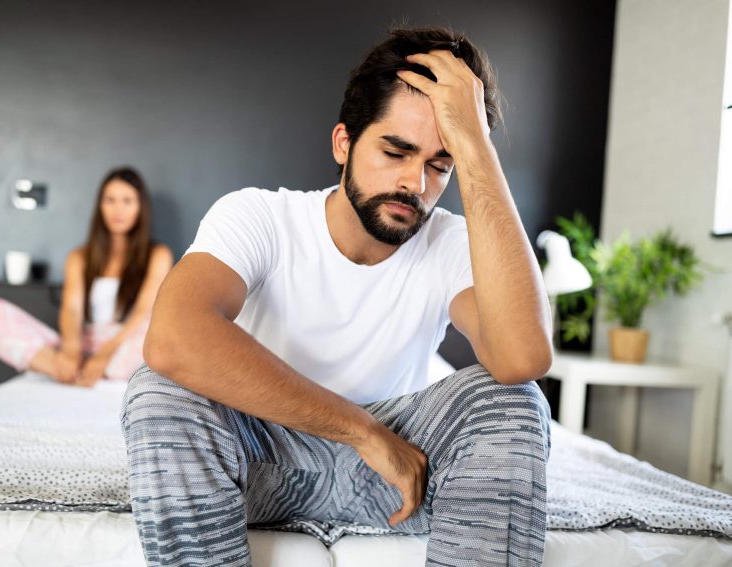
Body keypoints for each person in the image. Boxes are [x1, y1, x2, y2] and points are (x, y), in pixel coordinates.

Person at [122, 26, 553, 566]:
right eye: (395, 151)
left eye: (440, 165)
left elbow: (523, 359)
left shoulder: (452, 243)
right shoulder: (260, 216)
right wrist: (363, 432)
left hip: (401, 481)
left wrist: (476, 146)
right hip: (259, 470)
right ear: (343, 143)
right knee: (159, 388)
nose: (414, 183)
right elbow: (172, 338)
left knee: (515, 399)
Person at [0, 167, 173, 387]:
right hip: (84, 341)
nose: (118, 210)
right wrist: (71, 351)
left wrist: (104, 355)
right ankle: (66, 369)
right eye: (110, 200)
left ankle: (93, 371)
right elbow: (72, 310)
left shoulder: (158, 255)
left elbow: (143, 312)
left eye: (127, 201)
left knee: (159, 335)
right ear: (100, 206)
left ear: (140, 207)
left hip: (125, 344)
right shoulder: (79, 257)